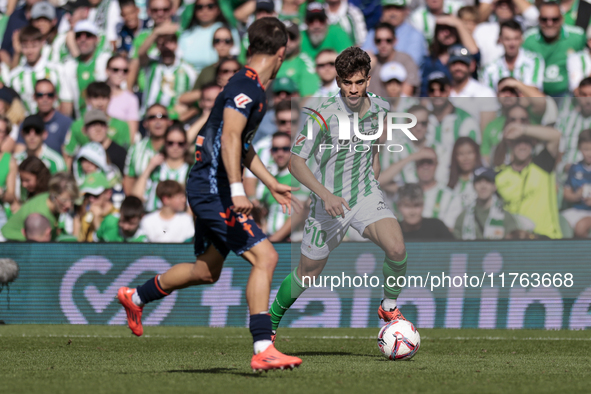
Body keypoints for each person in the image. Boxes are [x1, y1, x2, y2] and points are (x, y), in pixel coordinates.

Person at [116, 18, 302, 371]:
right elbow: (230, 138)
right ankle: (264, 346)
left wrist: (269, 182)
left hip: (206, 187)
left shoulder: (245, 86)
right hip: (215, 190)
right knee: (266, 258)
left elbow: (241, 143)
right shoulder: (246, 88)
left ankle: (136, 296)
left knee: (206, 271)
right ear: (281, 53)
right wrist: (236, 190)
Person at [272, 46, 409, 344]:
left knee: (397, 248)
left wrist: (372, 176)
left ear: (369, 80)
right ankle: (268, 324)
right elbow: (295, 162)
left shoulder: (382, 108)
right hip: (328, 203)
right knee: (307, 274)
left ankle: (388, 309)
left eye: (359, 82)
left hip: (365, 196)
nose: (353, 89)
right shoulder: (322, 113)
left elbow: (375, 147)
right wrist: (326, 195)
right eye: (347, 82)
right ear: (338, 81)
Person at [494, 120, 562, 238]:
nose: (522, 146)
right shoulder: (499, 175)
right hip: (514, 238)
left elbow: (556, 136)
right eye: (518, 142)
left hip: (545, 237)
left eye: (527, 142)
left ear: (532, 145)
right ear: (511, 145)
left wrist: (523, 129)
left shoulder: (542, 165)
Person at [523, 1, 586, 96]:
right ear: (538, 19)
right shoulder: (528, 40)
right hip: (539, 95)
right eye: (544, 19)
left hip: (569, 95)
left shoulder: (577, 37)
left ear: (562, 19)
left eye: (554, 19)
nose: (549, 24)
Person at [6, 25, 71, 116]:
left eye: (34, 46)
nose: (30, 51)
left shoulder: (57, 70)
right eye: (25, 47)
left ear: (42, 44)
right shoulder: (14, 77)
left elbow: (66, 102)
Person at [132, 122, 192, 212]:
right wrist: (149, 168)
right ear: (164, 143)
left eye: (180, 143)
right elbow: (136, 198)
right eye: (170, 143)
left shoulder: (191, 170)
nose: (175, 147)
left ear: (186, 145)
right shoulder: (156, 167)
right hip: (152, 218)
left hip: (180, 220)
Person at [1, 171, 77, 241]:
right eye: (64, 200)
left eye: (72, 200)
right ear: (53, 195)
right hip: (11, 241)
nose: (69, 205)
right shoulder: (41, 213)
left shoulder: (52, 203)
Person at [260, 132, 305, 242]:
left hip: (292, 242)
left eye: (285, 148)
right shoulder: (269, 180)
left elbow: (301, 212)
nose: (280, 153)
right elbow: (267, 216)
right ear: (270, 152)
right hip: (271, 240)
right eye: (276, 149)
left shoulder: (300, 177)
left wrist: (274, 240)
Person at [140, 32, 197, 118]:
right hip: (149, 118)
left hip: (175, 120)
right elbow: (140, 53)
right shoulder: (151, 64)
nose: (166, 47)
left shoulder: (188, 70)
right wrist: (157, 31)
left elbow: (195, 99)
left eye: (170, 43)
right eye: (162, 44)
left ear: (177, 44)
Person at [62, 20, 112, 119]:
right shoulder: (69, 66)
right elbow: (67, 103)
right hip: (82, 123)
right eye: (78, 36)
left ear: (97, 39)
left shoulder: (106, 60)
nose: (83, 39)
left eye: (88, 35)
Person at [419, 17, 480, 96]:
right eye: (442, 30)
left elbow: (475, 54)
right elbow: (424, 91)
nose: (447, 33)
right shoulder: (430, 61)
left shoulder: (464, 54)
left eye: (450, 29)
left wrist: (458, 23)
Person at [454, 167, 518, 239]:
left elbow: (512, 245)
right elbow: (457, 246)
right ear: (473, 186)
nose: (483, 186)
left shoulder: (506, 218)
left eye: (487, 181)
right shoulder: (463, 217)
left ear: (494, 186)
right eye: (479, 182)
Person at [481, 20, 545, 92]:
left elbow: (535, 93)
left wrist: (513, 83)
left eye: (516, 39)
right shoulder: (490, 68)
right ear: (500, 40)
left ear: (522, 39)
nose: (512, 44)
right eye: (507, 39)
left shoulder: (534, 60)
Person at [447, 44, 498, 130]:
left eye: (463, 63)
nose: (458, 67)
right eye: (454, 63)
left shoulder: (484, 93)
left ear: (472, 66)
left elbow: (486, 131)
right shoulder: (442, 92)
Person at [474, 0, 539, 67]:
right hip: (489, 75)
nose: (504, 6)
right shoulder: (482, 29)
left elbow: (535, 17)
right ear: (493, 6)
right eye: (499, 3)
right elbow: (478, 18)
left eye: (509, 3)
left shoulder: (522, 25)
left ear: (516, 7)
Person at [123, 104, 171, 195]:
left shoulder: (178, 145)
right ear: (145, 123)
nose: (158, 121)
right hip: (142, 206)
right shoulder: (136, 149)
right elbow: (129, 180)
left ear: (169, 122)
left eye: (162, 117)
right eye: (152, 117)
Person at [362, 0, 427, 67]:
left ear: (406, 11)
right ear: (382, 10)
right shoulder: (373, 33)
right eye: (388, 8)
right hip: (376, 76)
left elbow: (411, 63)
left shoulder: (415, 35)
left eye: (397, 8)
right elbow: (363, 60)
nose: (392, 13)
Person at [179, 0, 239, 72]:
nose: (205, 10)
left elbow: (235, 55)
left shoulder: (228, 31)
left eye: (210, 6)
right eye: (200, 7)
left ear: (218, 9)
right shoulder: (186, 34)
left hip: (218, 74)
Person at [15, 79, 72, 154]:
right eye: (40, 95)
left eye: (49, 95)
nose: (45, 99)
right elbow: (19, 152)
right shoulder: (27, 123)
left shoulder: (66, 123)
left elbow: (67, 158)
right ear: (34, 97)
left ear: (55, 97)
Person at [369, 22, 419, 97]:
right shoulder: (371, 62)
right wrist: (366, 69)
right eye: (379, 40)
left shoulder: (406, 60)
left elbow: (406, 96)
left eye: (388, 40)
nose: (383, 45)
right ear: (374, 42)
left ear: (395, 41)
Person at [274, 20, 319, 97]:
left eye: (292, 37)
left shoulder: (306, 63)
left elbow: (309, 98)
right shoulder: (270, 60)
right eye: (282, 37)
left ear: (299, 39)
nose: (287, 42)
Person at [562, 129, 591, 238]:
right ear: (579, 148)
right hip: (577, 210)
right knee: (559, 223)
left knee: (581, 227)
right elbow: (566, 193)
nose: (589, 153)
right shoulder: (574, 168)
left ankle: (583, 254)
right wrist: (576, 196)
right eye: (586, 149)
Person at [105, 54, 140, 143]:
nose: (120, 74)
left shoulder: (131, 99)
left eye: (125, 71)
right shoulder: (97, 93)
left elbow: (131, 135)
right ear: (107, 71)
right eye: (115, 70)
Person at [76, 171, 116, 242]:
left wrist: (97, 221)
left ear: (108, 193)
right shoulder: (85, 217)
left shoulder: (117, 216)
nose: (91, 199)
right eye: (88, 195)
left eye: (95, 195)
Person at [447, 137, 482, 210]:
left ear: (476, 154)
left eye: (470, 153)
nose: (466, 158)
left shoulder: (484, 180)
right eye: (461, 154)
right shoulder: (447, 180)